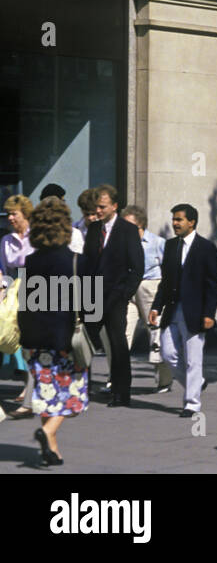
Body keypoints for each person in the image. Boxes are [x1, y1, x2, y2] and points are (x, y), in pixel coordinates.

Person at [18, 198, 91, 465]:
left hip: (34, 337)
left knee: (46, 391)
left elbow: (27, 300)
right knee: (73, 393)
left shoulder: (31, 261)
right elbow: (90, 304)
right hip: (65, 338)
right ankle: (48, 431)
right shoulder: (76, 261)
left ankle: (52, 449)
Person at [148, 204, 217, 417]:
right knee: (167, 353)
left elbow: (212, 284)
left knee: (193, 359)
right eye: (174, 219)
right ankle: (198, 382)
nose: (175, 224)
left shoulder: (206, 248)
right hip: (172, 309)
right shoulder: (170, 246)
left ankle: (192, 403)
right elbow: (165, 281)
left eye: (179, 220)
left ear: (192, 222)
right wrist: (155, 306)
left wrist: (209, 314)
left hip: (195, 312)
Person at [83, 185, 143, 407]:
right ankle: (81, 388)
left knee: (118, 345)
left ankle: (121, 392)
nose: (98, 211)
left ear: (114, 206)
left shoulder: (127, 230)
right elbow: (88, 262)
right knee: (85, 343)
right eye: (96, 206)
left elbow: (137, 267)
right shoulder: (93, 229)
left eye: (102, 207)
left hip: (115, 296)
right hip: (91, 295)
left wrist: (124, 294)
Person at [119, 206, 173, 393]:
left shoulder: (157, 242)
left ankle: (164, 380)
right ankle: (116, 378)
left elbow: (169, 268)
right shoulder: (120, 243)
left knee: (156, 334)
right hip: (128, 289)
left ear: (140, 224)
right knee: (122, 334)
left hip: (150, 286)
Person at [2, 195, 35, 415]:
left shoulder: (38, 237)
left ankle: (29, 399)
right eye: (9, 214)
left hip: (36, 290)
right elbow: (2, 271)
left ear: (25, 214)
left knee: (32, 344)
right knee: (14, 341)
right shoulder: (5, 241)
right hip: (12, 292)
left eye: (14, 213)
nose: (10, 218)